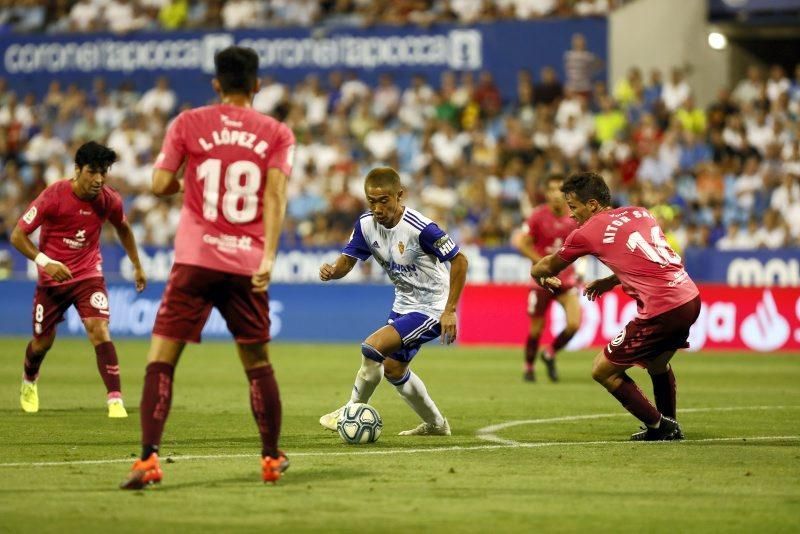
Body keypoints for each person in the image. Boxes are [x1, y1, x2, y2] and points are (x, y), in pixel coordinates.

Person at [120, 46, 295, 489]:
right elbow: (275, 197)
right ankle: (271, 458)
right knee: (257, 363)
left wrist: (185, 183)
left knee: (161, 359)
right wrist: (269, 256)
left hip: (195, 259)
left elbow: (159, 183)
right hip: (245, 264)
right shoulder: (276, 132)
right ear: (257, 84)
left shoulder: (188, 122)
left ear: (216, 84)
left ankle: (147, 460)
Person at [531, 172, 700, 441]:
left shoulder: (586, 232)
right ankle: (669, 425)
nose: (571, 215)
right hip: (689, 298)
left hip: (662, 308)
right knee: (657, 363)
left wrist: (535, 273)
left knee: (602, 370)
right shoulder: (640, 213)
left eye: (574, 207)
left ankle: (660, 426)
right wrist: (611, 281)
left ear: (593, 205)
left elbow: (548, 266)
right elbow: (651, 257)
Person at [318, 167, 468, 436]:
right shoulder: (365, 225)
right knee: (393, 368)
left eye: (384, 200)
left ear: (400, 196)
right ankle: (436, 425)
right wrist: (332, 271)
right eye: (371, 201)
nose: (377, 208)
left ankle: (350, 410)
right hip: (403, 304)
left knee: (372, 347)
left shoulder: (422, 229)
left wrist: (450, 310)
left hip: (432, 307)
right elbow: (347, 263)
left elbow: (460, 260)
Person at [10, 141, 146, 418]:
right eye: (92, 172)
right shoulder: (53, 196)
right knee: (42, 343)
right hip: (52, 281)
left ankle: (115, 400)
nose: (98, 179)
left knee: (99, 329)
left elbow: (124, 228)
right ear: (77, 170)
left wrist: (136, 264)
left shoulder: (109, 199)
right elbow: (17, 236)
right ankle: (29, 379)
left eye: (103, 172)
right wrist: (46, 263)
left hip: (88, 275)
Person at [511, 175, 581, 382]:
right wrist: (543, 264)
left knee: (574, 324)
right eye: (551, 190)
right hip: (541, 281)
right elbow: (522, 243)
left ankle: (549, 353)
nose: (556, 194)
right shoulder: (537, 216)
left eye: (560, 190)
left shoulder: (575, 217)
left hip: (565, 280)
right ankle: (529, 367)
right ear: (546, 193)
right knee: (536, 330)